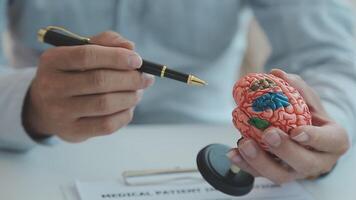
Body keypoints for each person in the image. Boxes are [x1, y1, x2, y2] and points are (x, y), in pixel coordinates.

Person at [0, 0, 355, 184]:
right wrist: (29, 103)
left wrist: (319, 134)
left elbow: (333, 57)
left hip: (214, 158)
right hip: (41, 158)